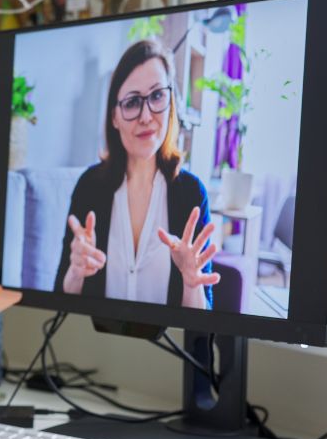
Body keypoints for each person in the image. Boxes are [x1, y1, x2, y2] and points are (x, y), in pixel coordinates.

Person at [54, 39, 219, 308]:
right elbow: (60, 302)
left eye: (156, 96)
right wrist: (75, 272)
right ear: (114, 117)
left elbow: (200, 331)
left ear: (171, 104)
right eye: (132, 103)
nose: (145, 116)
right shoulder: (89, 186)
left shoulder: (191, 193)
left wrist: (191, 283)